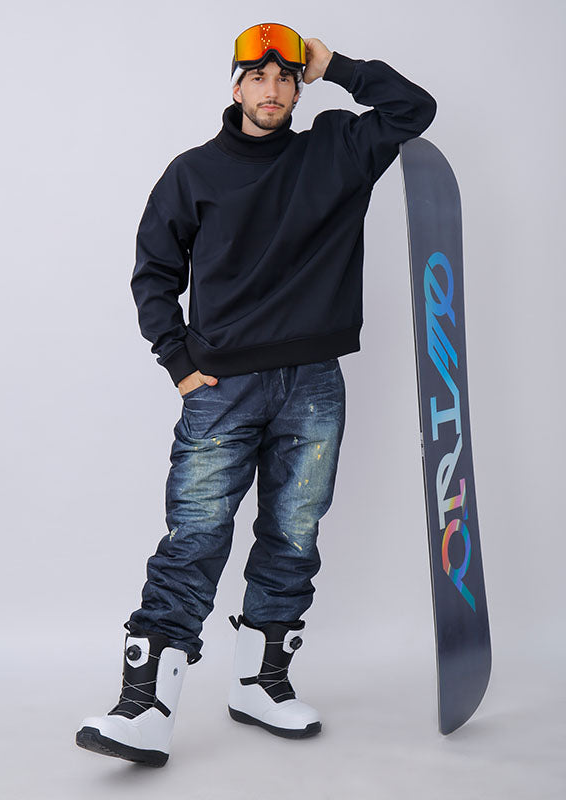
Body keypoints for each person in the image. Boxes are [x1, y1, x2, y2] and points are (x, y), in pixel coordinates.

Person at [76, 22, 436, 767]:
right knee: (195, 539)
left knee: (293, 536)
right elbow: (153, 272)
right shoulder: (193, 173)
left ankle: (259, 684)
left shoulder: (336, 151)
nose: (272, 90)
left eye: (286, 78)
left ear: (299, 87)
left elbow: (413, 109)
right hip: (222, 388)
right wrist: (177, 360)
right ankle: (143, 709)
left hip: (314, 384)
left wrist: (337, 64)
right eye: (258, 77)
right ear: (236, 85)